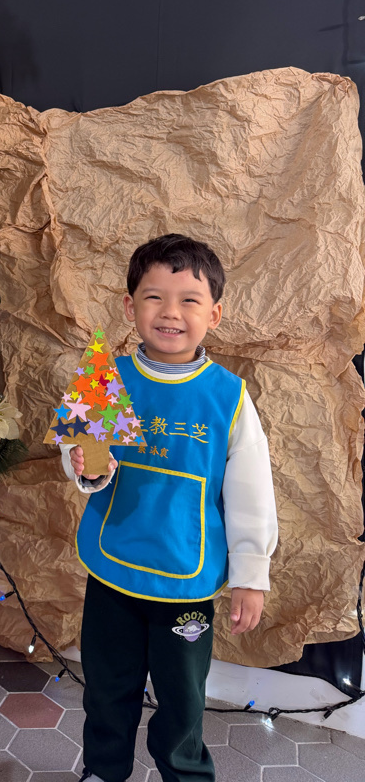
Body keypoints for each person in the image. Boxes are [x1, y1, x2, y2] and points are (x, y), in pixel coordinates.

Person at [61, 234, 277, 782]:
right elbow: (80, 455)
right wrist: (85, 467)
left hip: (186, 578)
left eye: (189, 300)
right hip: (113, 567)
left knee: (182, 699)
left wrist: (251, 576)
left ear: (214, 314)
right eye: (154, 297)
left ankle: (186, 774)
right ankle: (103, 769)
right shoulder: (107, 379)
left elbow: (251, 495)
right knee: (107, 686)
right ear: (129, 305)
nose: (170, 313)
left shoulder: (228, 396)